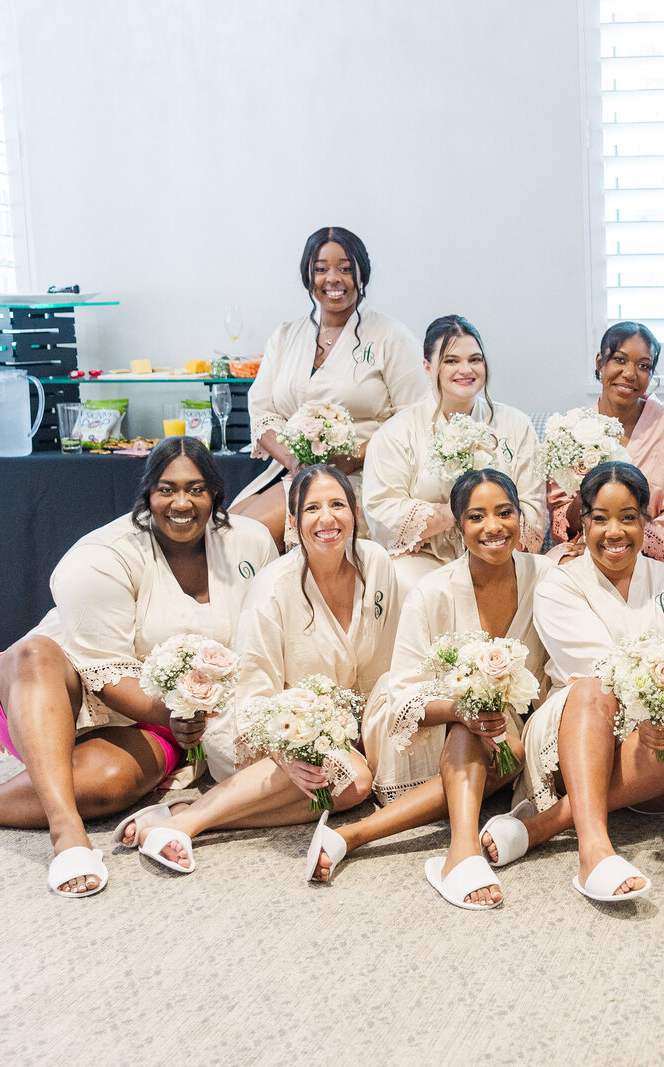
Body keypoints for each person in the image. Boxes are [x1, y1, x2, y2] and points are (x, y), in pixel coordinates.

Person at [0, 438, 277, 896]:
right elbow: (103, 671)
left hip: (165, 721)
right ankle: (66, 832)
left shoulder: (248, 541)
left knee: (108, 784)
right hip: (55, 692)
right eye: (167, 489)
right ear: (148, 494)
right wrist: (171, 714)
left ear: (216, 495)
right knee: (33, 650)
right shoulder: (101, 556)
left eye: (196, 489)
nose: (181, 502)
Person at [123, 466, 396, 873]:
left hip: (335, 726)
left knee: (356, 782)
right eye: (312, 509)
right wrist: (286, 755)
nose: (327, 519)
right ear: (292, 521)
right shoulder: (272, 590)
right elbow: (254, 698)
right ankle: (189, 824)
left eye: (337, 504)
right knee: (353, 779)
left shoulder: (375, 563)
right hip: (258, 729)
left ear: (354, 512)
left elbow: (382, 657)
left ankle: (182, 815)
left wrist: (366, 731)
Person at [490, 462, 664, 900]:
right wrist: (653, 694)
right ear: (582, 522)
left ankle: (546, 824)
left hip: (661, 750)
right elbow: (601, 669)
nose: (614, 531)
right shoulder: (558, 585)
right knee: (591, 687)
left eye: (628, 517)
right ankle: (594, 852)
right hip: (581, 732)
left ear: (645, 520)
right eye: (600, 518)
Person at [304, 469, 552, 907]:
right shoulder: (433, 591)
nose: (493, 526)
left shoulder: (545, 579)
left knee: (503, 748)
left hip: (500, 727)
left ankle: (351, 835)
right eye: (477, 516)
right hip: (418, 717)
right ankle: (461, 851)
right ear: (459, 528)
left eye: (505, 513)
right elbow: (402, 694)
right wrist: (461, 709)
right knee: (472, 730)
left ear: (521, 517)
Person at [232, 226, 429, 550]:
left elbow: (415, 417)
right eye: (321, 269)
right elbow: (262, 409)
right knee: (220, 532)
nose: (332, 278)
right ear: (308, 276)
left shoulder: (391, 336)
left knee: (243, 539)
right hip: (292, 472)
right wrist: (295, 460)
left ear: (361, 274)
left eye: (345, 268)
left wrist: (350, 459)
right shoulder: (285, 336)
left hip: (363, 478)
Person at [363, 315, 545, 599]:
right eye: (451, 361)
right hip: (425, 560)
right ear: (428, 367)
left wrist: (492, 529)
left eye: (475, 359)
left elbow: (533, 507)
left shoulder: (515, 424)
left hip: (500, 555)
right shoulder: (397, 432)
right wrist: (451, 512)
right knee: (407, 583)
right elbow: (382, 510)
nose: (466, 369)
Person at [548, 322, 664, 563]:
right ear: (599, 363)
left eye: (643, 366)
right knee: (558, 571)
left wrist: (623, 543)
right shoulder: (570, 428)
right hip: (583, 551)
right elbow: (561, 522)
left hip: (651, 555)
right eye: (620, 359)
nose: (629, 373)